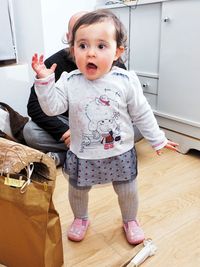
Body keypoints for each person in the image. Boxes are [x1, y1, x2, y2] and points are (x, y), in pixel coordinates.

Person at [31, 9, 178, 245]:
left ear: (117, 51)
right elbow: (51, 108)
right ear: (73, 50)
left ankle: (130, 220)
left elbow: (141, 113)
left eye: (101, 46)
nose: (90, 53)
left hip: (119, 152)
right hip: (83, 152)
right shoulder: (69, 80)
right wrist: (45, 82)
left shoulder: (126, 80)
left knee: (127, 190)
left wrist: (157, 139)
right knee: (78, 190)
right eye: (82, 46)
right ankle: (81, 218)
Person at [23, 11, 137, 167]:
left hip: (105, 124)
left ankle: (74, 154)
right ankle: (89, 152)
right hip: (70, 123)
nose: (91, 53)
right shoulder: (54, 64)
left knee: (138, 126)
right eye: (82, 41)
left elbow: (130, 103)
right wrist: (65, 132)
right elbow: (34, 106)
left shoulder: (112, 62)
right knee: (30, 132)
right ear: (70, 39)